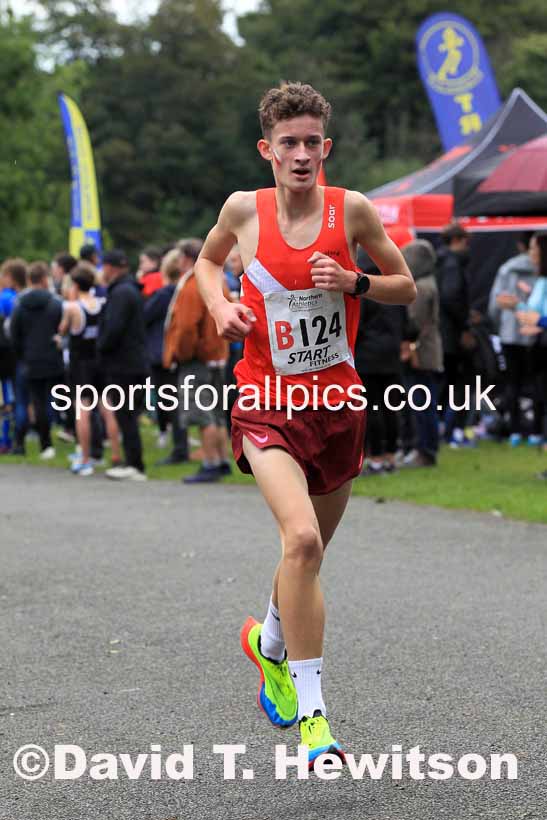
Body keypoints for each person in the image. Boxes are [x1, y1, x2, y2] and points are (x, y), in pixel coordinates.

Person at [194, 82, 415, 766]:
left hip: (337, 408)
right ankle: (316, 720)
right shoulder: (242, 209)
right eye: (286, 143)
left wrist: (353, 284)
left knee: (307, 550)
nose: (299, 154)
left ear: (326, 147)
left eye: (310, 142)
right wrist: (219, 306)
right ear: (267, 149)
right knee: (301, 541)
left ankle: (267, 642)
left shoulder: (350, 211)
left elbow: (403, 284)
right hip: (265, 400)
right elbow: (205, 264)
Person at [163, 238, 231, 483]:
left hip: (198, 359)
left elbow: (186, 327)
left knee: (202, 413)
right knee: (216, 412)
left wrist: (181, 353)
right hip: (216, 356)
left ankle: (210, 462)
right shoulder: (218, 280)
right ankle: (222, 460)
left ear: (186, 259)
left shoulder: (193, 285)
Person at [60, 263, 121, 475]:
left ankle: (85, 458)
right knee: (108, 408)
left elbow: (62, 330)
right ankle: (116, 454)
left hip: (80, 364)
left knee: (82, 410)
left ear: (75, 284)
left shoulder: (72, 307)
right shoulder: (102, 303)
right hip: (100, 361)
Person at [97, 249, 148, 481]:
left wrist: (101, 346)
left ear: (111, 267)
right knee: (127, 414)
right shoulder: (130, 289)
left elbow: (113, 329)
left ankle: (134, 463)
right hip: (133, 361)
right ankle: (133, 461)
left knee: (125, 414)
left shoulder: (121, 293)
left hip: (123, 363)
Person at [488, 233, 539, 445]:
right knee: (537, 383)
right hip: (536, 332)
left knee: (512, 383)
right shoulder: (540, 271)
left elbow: (495, 304)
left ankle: (516, 430)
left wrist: (499, 325)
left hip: (510, 333)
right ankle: (537, 431)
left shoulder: (507, 268)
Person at [10, 261, 64, 458]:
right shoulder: (55, 303)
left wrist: (22, 354)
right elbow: (62, 329)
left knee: (27, 401)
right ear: (44, 279)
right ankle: (46, 442)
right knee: (49, 400)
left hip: (29, 358)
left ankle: (19, 442)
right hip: (51, 358)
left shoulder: (20, 305)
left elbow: (13, 334)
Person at [401, 240, 443, 467]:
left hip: (422, 353)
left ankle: (424, 450)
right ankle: (423, 448)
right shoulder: (428, 283)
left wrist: (412, 348)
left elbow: (415, 323)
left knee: (420, 404)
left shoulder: (421, 288)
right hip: (428, 352)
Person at [144, 248, 189, 464]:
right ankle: (181, 442)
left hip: (162, 353)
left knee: (169, 401)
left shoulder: (165, 295)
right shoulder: (184, 292)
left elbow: (144, 317)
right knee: (176, 399)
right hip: (180, 351)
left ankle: (179, 447)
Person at [437, 222, 472, 447]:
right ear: (457, 240)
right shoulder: (451, 264)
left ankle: (441, 427)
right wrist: (465, 324)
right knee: (456, 384)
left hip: (440, 332)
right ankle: (452, 431)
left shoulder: (437, 260)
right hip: (450, 333)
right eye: (467, 242)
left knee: (439, 384)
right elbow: (451, 297)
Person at [517, 232, 547, 468]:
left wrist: (539, 322)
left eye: (534, 249)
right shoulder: (540, 280)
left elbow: (539, 316)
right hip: (539, 347)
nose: (531, 254)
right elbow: (533, 313)